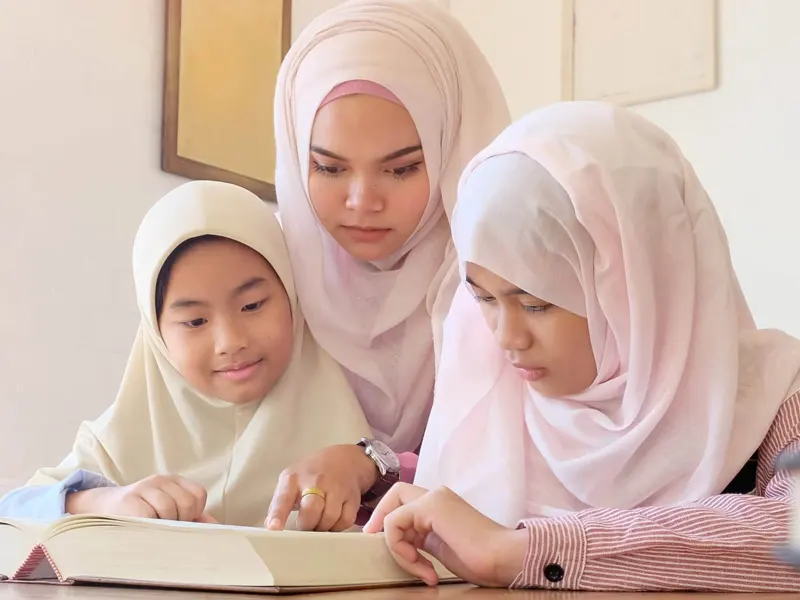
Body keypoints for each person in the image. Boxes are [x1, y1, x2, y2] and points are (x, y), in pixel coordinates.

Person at [363, 102, 800, 592]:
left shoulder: (776, 397)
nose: (506, 339)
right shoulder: (489, 400)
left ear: (641, 288)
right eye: (484, 299)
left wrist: (525, 551)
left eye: (536, 304)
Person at [266, 0, 510, 531]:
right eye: (328, 167)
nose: (361, 201)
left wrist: (375, 463)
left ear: (453, 151)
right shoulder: (264, 277)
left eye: (401, 169)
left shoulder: (506, 284)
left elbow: (530, 475)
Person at [0, 181, 371, 528]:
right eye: (195, 321)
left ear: (292, 294)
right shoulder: (121, 437)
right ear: (156, 334)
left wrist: (368, 468)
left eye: (252, 305)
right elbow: (13, 512)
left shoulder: (355, 433)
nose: (230, 341)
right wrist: (99, 503)